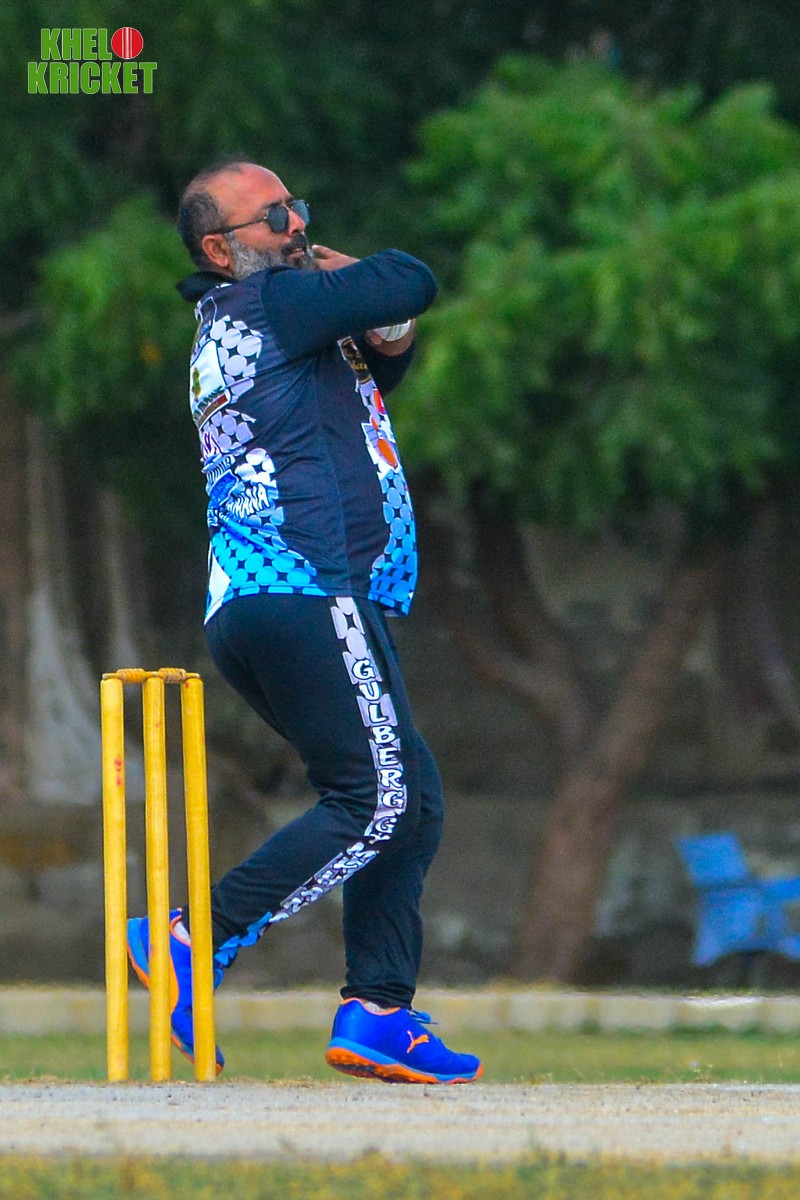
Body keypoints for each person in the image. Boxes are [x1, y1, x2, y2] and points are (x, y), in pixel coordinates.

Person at [127, 160, 482, 1085]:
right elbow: (409, 279)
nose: (295, 226)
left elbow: (389, 348)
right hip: (307, 585)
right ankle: (194, 936)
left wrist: (360, 304)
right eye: (274, 216)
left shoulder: (251, 323)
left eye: (297, 210)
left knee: (411, 800)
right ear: (218, 249)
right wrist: (334, 268)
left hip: (272, 600)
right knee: (379, 801)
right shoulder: (272, 303)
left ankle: (378, 1013)